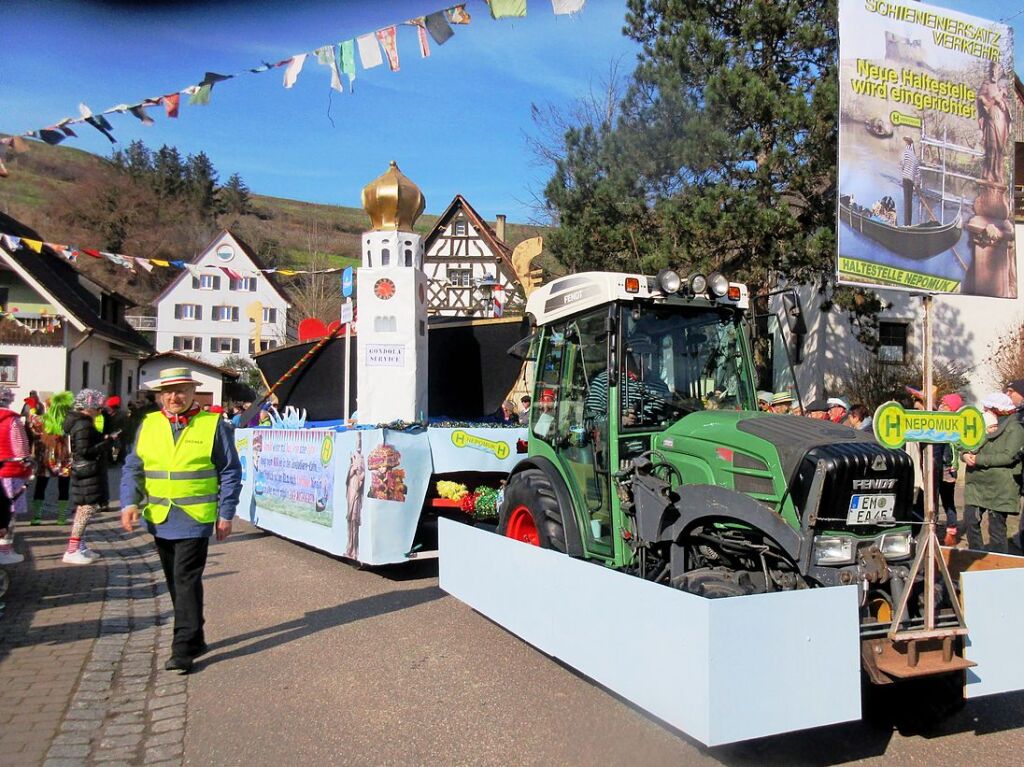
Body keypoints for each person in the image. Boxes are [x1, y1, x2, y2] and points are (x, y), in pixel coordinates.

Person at [120, 367, 241, 674]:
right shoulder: (148, 424)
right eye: (169, 392)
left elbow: (230, 471)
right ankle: (196, 636)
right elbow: (133, 467)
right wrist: (129, 503)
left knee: (185, 579)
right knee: (177, 582)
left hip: (194, 517)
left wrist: (225, 513)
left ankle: (182, 648)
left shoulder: (213, 424)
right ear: (161, 395)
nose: (175, 397)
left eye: (182, 391)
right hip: (160, 516)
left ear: (192, 393)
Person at [962, 392, 1024, 553]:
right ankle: (974, 556)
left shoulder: (1015, 428)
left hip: (1000, 486)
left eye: (987, 408)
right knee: (971, 520)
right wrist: (965, 455)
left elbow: (1008, 456)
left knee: (996, 529)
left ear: (997, 409)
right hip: (977, 483)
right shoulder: (981, 423)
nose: (984, 410)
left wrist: (978, 459)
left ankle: (997, 566)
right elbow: (966, 443)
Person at [62, 389, 116, 564]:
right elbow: (84, 450)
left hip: (85, 471)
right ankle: (72, 549)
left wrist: (103, 438)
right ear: (89, 407)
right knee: (86, 509)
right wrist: (106, 444)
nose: (100, 410)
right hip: (87, 471)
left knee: (85, 509)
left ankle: (81, 547)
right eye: (97, 407)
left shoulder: (81, 422)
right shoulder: (83, 424)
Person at [29, 391, 73, 525]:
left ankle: (37, 517)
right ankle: (61, 517)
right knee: (64, 487)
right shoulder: (68, 421)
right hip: (64, 458)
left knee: (41, 486)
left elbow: (32, 422)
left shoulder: (44, 420)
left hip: (45, 459)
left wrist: (32, 408)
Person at [0, 386, 32, 565]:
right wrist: (27, 464)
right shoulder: (12, 420)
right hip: (10, 471)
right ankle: (5, 550)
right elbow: (21, 447)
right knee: (9, 512)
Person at [937, 393, 963, 545]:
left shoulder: (951, 425)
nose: (941, 405)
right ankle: (944, 531)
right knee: (939, 502)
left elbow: (951, 450)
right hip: (942, 467)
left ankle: (951, 533)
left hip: (946, 469)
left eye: (944, 403)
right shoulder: (942, 422)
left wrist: (951, 466)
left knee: (947, 501)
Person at [900, 135, 921, 226]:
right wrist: (917, 184)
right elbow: (918, 173)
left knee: (906, 202)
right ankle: (909, 223)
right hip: (911, 181)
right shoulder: (915, 157)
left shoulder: (905, 153)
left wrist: (904, 170)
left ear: (907, 143)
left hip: (905, 179)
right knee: (910, 203)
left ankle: (906, 224)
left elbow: (902, 164)